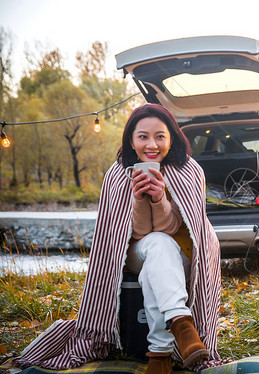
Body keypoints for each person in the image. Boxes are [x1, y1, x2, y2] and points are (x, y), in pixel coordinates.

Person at [14, 104, 222, 374]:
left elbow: (174, 229)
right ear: (131, 140)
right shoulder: (117, 174)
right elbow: (137, 234)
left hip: (183, 253)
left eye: (160, 136)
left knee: (157, 259)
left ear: (171, 137)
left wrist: (159, 199)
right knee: (156, 245)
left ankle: (159, 354)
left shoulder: (188, 171)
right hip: (136, 251)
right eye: (143, 136)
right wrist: (138, 199)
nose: (152, 144)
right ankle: (182, 327)